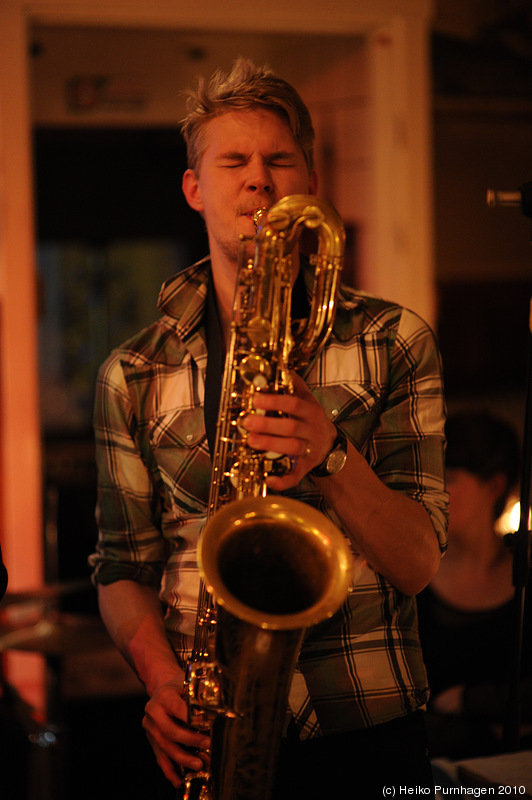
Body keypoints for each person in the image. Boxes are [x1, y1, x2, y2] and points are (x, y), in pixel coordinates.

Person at [90, 58, 448, 798]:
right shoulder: (130, 372)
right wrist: (161, 683)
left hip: (369, 729)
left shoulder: (396, 338)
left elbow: (419, 564)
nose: (258, 179)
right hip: (211, 725)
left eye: (279, 159)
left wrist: (333, 458)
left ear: (308, 181)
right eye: (234, 161)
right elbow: (123, 569)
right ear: (194, 188)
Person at [417, 410, 532, 761]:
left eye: (447, 478)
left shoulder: (525, 577)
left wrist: (469, 700)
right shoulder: (413, 574)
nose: (429, 491)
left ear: (494, 486)